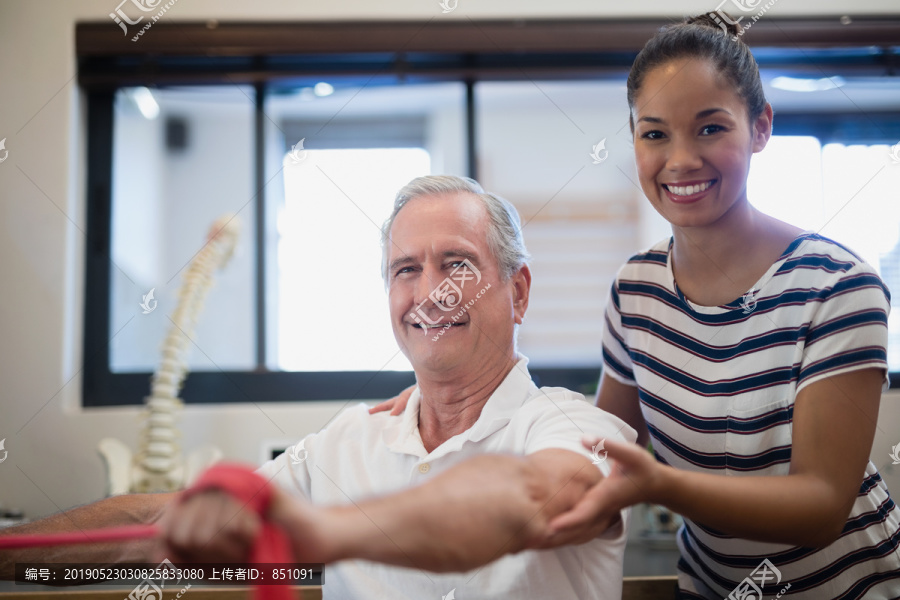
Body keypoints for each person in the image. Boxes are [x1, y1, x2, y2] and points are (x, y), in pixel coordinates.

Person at [371, 15, 900, 600]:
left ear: (760, 128)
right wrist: (447, 397)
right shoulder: (637, 289)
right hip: (711, 589)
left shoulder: (838, 286)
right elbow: (600, 437)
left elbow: (820, 506)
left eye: (709, 129)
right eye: (654, 134)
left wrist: (658, 485)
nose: (680, 160)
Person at [1, 175, 636, 600]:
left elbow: (537, 497)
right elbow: (161, 520)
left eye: (458, 264)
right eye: (406, 269)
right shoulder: (348, 440)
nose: (429, 292)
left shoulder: (571, 426)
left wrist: (324, 531)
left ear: (517, 292)